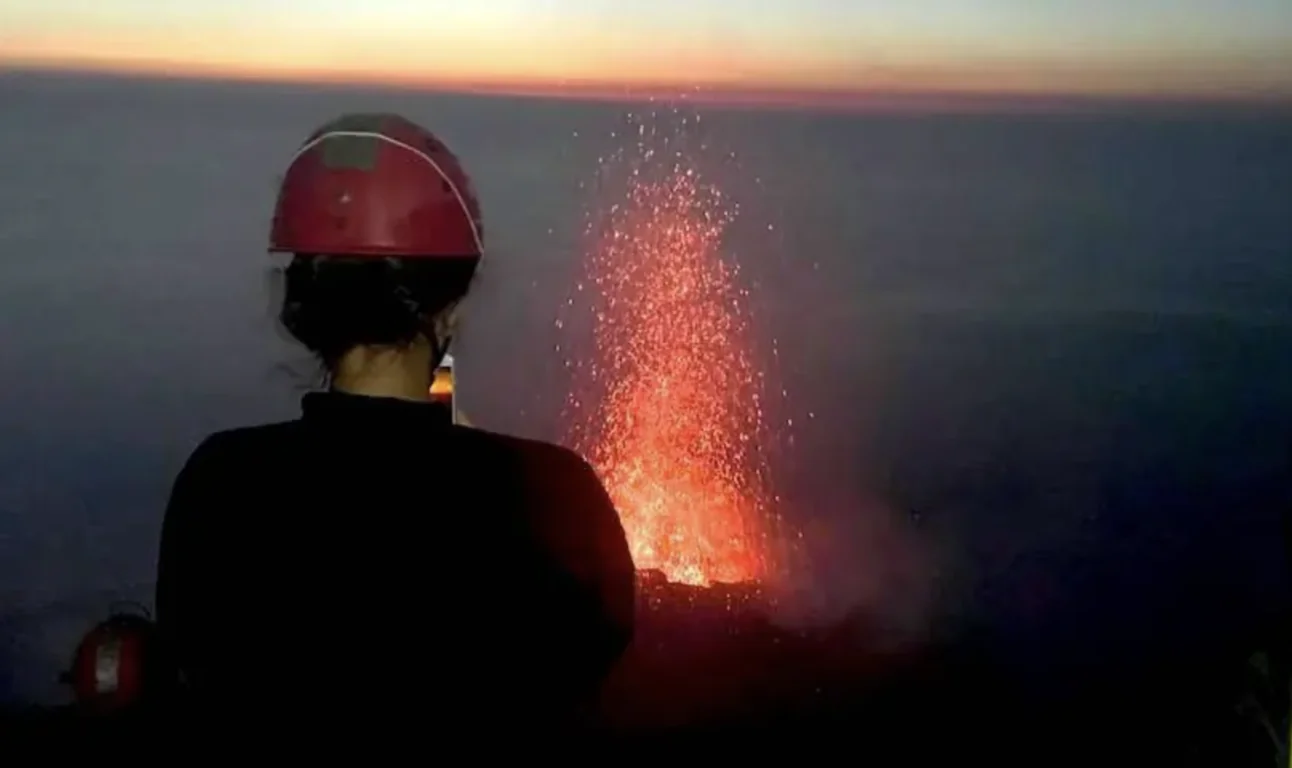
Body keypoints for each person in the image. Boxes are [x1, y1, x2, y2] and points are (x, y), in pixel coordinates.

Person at [154, 113, 636, 726]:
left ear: (302, 305)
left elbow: (196, 655)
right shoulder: (556, 495)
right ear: (452, 309)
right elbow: (596, 650)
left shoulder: (221, 485)